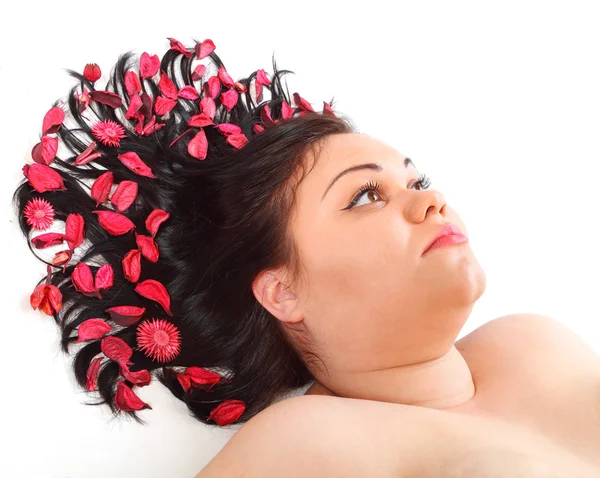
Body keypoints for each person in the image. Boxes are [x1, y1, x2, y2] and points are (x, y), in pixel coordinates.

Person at [15, 38, 600, 477]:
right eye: (366, 196)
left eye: (416, 179)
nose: (431, 199)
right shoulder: (303, 439)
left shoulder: (533, 341)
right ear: (283, 291)